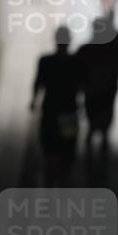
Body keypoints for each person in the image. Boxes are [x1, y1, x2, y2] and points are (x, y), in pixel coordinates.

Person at [30, 25, 80, 185]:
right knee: (67, 152)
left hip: (50, 111)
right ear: (70, 41)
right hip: (69, 112)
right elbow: (84, 86)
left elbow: (38, 83)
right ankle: (63, 186)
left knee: (50, 151)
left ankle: (50, 187)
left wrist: (33, 101)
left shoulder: (45, 61)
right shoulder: (75, 63)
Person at [75, 16, 118, 159]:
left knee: (96, 120)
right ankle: (98, 146)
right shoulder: (102, 49)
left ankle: (96, 146)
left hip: (99, 91)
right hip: (102, 91)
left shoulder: (87, 49)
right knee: (100, 120)